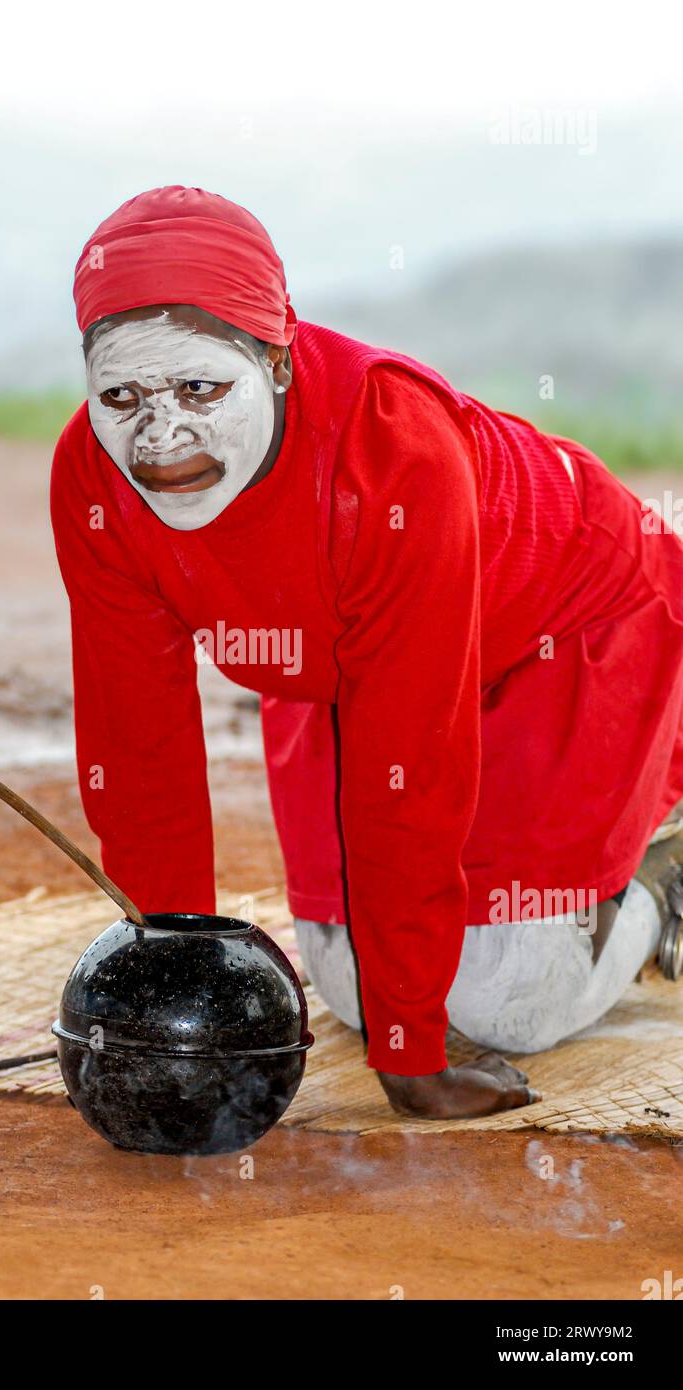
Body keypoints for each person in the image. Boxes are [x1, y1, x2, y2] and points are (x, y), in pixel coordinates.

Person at [50, 185, 683, 1120]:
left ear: (276, 359)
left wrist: (412, 1052)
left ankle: (658, 870)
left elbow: (408, 766)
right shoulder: (91, 480)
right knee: (344, 990)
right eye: (122, 395)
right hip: (344, 673)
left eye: (198, 387)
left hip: (565, 630)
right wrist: (176, 974)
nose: (160, 435)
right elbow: (140, 745)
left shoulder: (391, 459)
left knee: (504, 999)